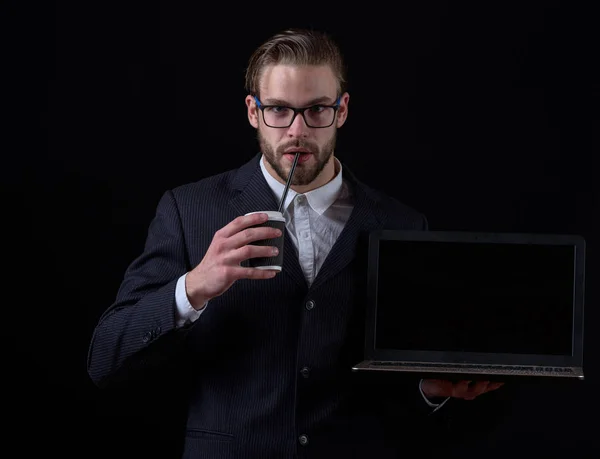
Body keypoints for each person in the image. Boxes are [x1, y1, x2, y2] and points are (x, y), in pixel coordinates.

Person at [87, 28, 504, 458]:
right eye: (279, 110)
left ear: (342, 110)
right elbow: (106, 358)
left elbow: (395, 394)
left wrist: (427, 389)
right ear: (253, 111)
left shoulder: (402, 224)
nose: (297, 130)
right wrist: (192, 287)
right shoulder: (187, 208)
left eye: (317, 110)